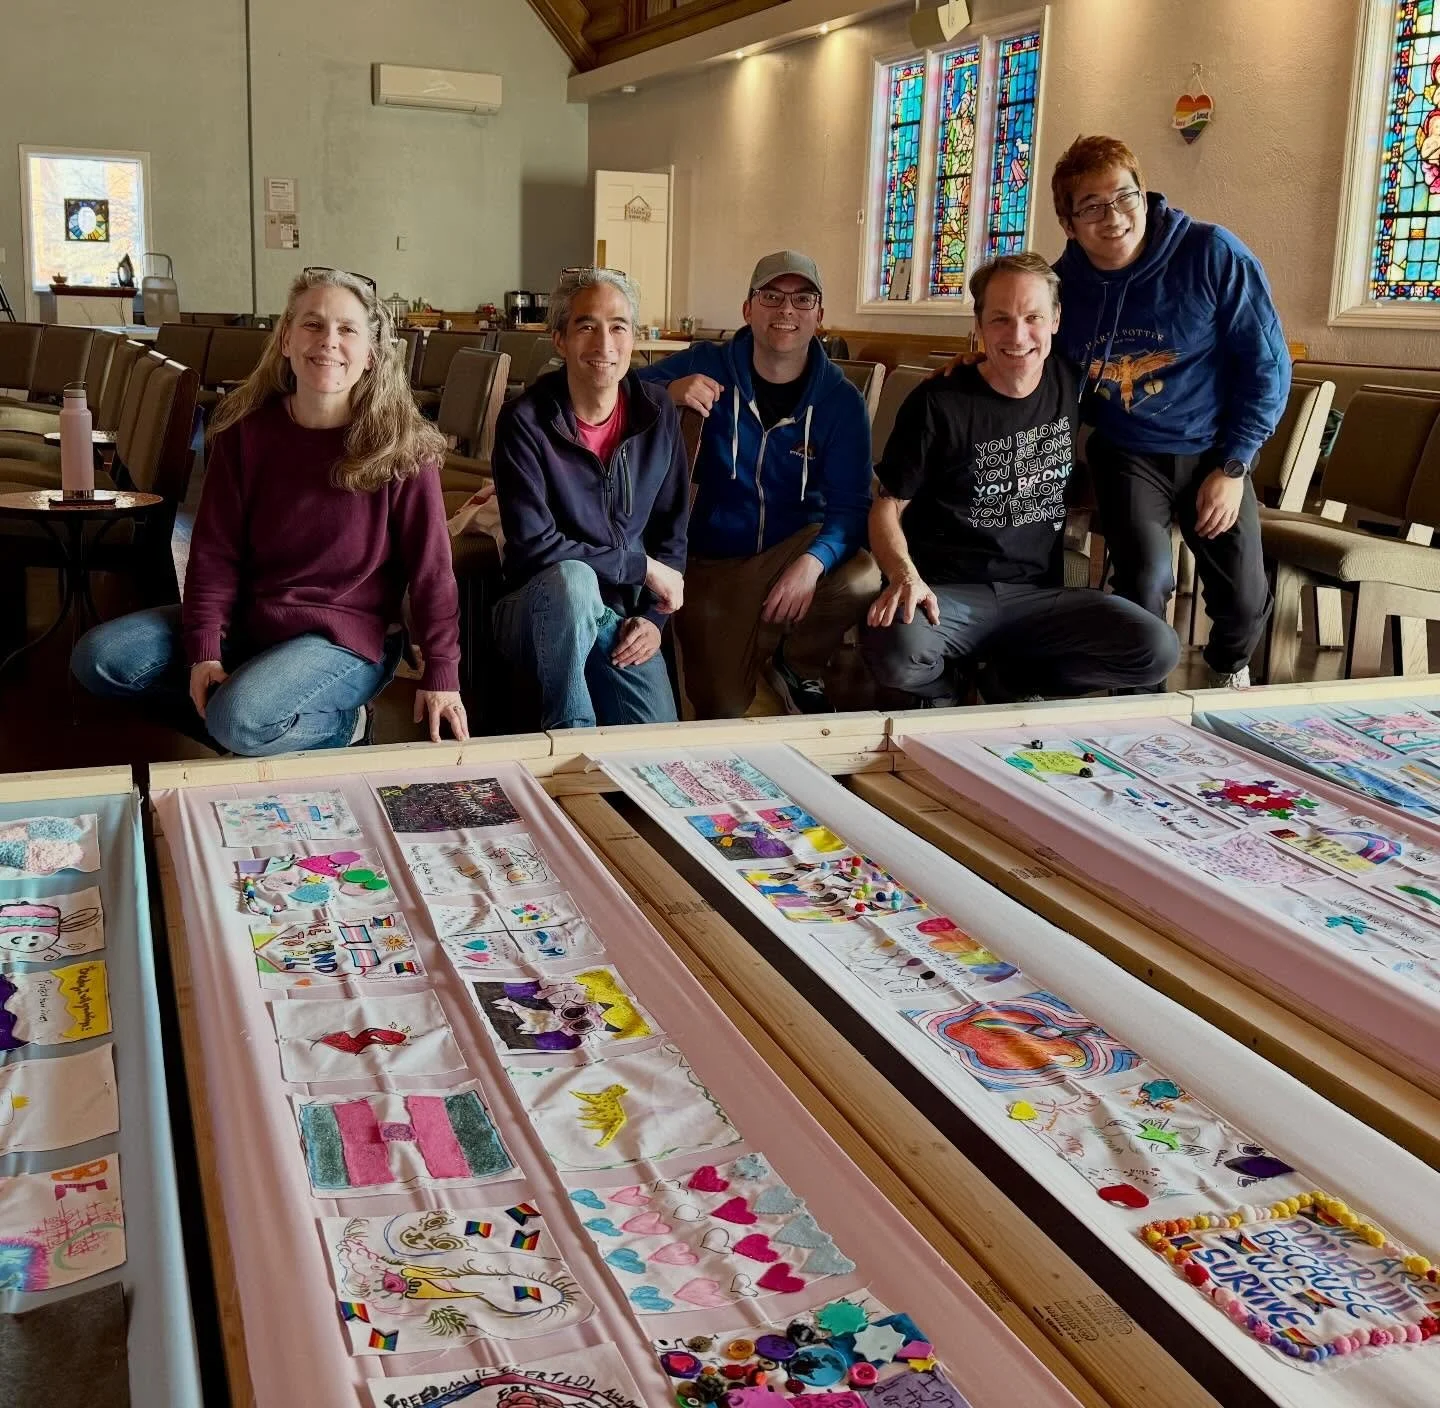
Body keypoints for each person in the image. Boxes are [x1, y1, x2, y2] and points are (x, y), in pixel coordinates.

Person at [71, 267, 467, 753]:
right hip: (251, 620)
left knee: (237, 717)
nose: (328, 341)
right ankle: (258, 720)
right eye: (312, 324)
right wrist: (204, 651)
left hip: (343, 638)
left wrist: (443, 673)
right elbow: (214, 555)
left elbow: (433, 572)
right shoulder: (245, 434)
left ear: (371, 355)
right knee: (100, 658)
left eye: (347, 329)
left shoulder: (403, 449)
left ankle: (341, 726)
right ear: (285, 339)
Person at [861, 253, 1178, 705]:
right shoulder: (938, 401)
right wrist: (904, 576)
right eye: (1000, 319)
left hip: (1039, 598)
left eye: (1033, 317)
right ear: (979, 324)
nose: (1017, 335)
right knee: (895, 649)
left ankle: (1016, 681)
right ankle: (945, 692)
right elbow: (887, 507)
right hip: (949, 594)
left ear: (1055, 320)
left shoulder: (1071, 382)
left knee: (1155, 647)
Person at [1050, 134, 1290, 688]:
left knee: (1246, 595)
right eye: (1091, 206)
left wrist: (1233, 468)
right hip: (1127, 450)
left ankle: (1229, 671)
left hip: (1214, 449)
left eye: (1124, 197)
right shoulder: (1062, 288)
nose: (1113, 217)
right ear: (1069, 222)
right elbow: (1036, 361)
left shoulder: (1212, 253)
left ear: (1144, 193)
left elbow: (1267, 367)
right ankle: (1142, 688)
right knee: (1146, 578)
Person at [638, 251, 879, 717]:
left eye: (802, 299)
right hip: (710, 563)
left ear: (820, 316)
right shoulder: (707, 362)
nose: (786, 310)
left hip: (792, 547)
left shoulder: (840, 401)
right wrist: (666, 393)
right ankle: (760, 640)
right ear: (748, 309)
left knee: (862, 576)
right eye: (772, 296)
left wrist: (812, 563)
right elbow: (616, 389)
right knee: (721, 711)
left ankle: (796, 662)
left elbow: (852, 507)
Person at [491, 267, 688, 731]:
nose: (604, 344)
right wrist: (640, 568)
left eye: (618, 326)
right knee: (574, 581)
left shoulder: (658, 413)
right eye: (586, 326)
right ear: (559, 339)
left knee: (656, 747)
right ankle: (569, 737)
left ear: (634, 338)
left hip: (619, 615)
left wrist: (652, 621)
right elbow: (535, 545)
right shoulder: (524, 422)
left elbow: (671, 529)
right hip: (534, 605)